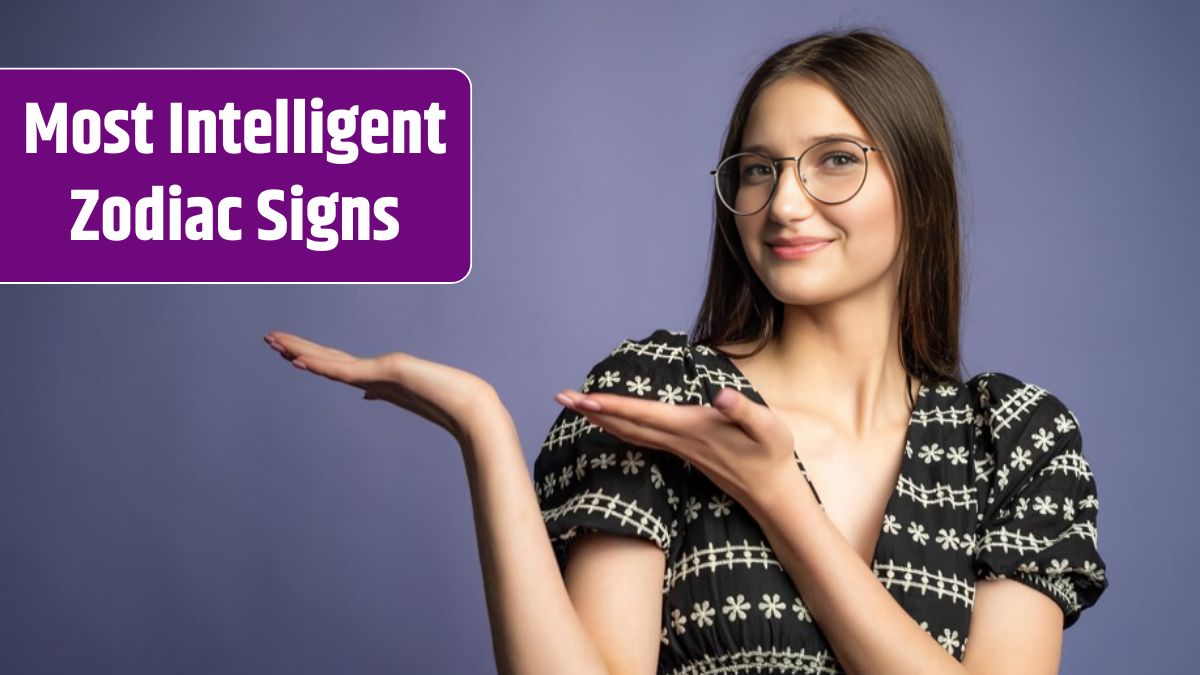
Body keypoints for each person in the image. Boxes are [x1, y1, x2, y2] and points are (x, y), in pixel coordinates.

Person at [263, 27, 1108, 675]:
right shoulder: (663, 393)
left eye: (836, 162)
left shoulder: (1014, 436)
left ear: (920, 189)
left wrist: (778, 495)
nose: (784, 205)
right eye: (756, 170)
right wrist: (483, 427)